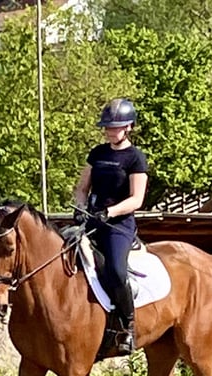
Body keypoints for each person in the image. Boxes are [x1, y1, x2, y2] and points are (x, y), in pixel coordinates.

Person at [72, 98, 149, 355]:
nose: (108, 131)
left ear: (128, 127)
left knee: (115, 269)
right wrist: (81, 207)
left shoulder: (135, 158)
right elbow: (82, 188)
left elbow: (136, 199)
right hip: (93, 220)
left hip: (119, 225)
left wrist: (110, 212)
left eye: (113, 127)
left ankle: (128, 325)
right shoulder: (98, 153)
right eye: (106, 127)